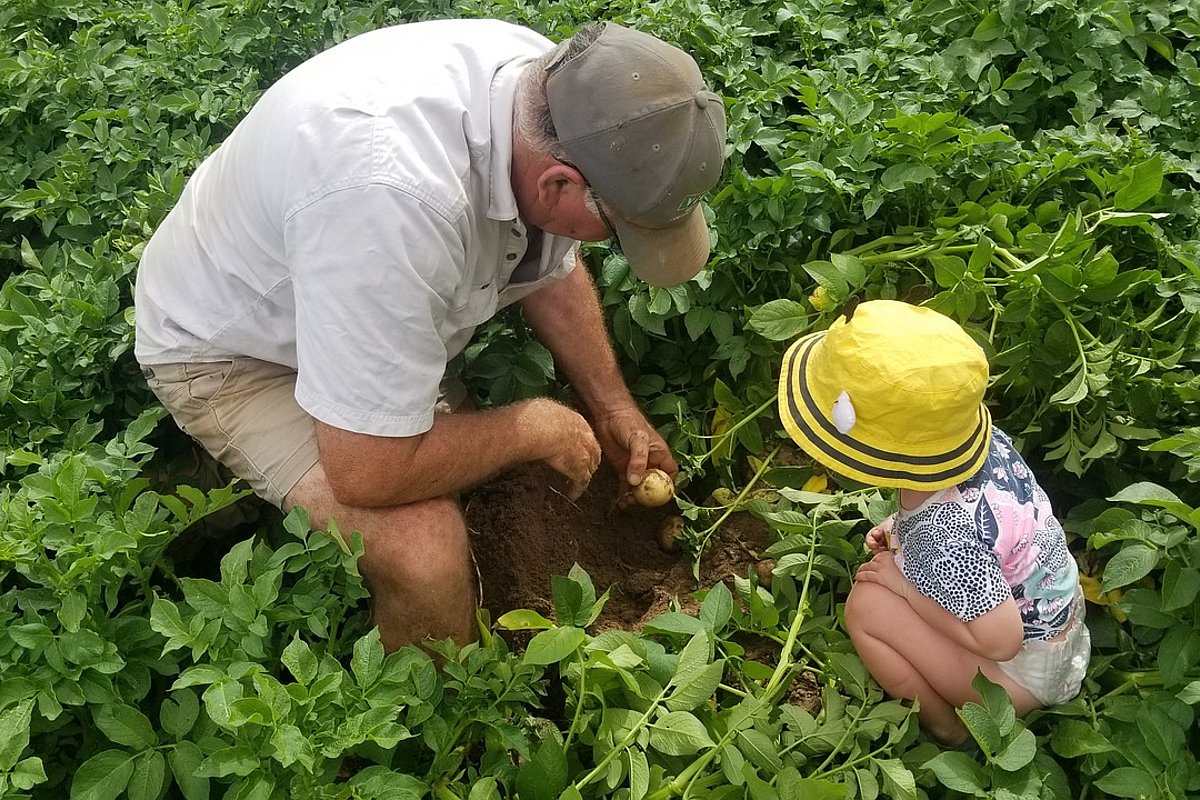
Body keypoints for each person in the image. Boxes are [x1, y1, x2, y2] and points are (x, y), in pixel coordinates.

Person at [134, 19, 727, 650]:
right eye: (617, 228)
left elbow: (551, 261)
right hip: (235, 352)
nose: (608, 243)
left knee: (472, 463)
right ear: (559, 184)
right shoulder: (388, 201)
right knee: (426, 551)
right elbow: (370, 471)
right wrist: (531, 425)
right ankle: (428, 733)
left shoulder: (553, 91)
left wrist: (613, 409)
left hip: (349, 282)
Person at [777, 300, 1089, 745]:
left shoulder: (945, 530)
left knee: (866, 607)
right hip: (1058, 631)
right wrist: (900, 529)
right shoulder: (972, 449)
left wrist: (904, 588)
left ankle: (950, 728)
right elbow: (980, 531)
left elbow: (1001, 640)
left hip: (1018, 674)